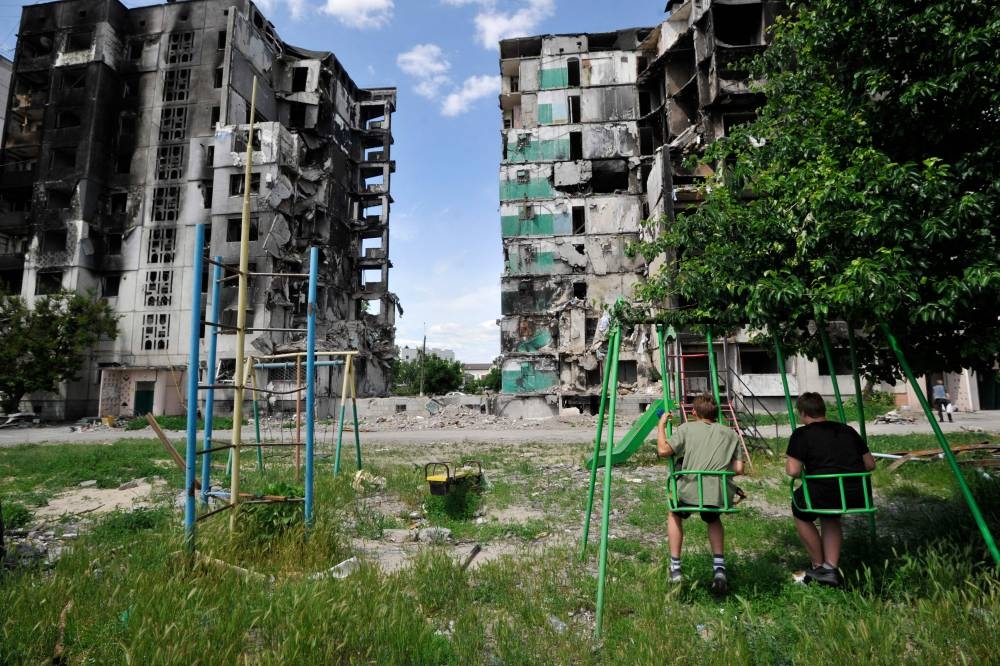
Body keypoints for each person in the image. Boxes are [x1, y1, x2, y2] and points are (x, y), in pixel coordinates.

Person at [656, 393, 744, 594]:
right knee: (713, 519)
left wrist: (661, 425)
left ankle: (676, 566)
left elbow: (663, 450)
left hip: (690, 490)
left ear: (693, 412)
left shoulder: (687, 428)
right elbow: (739, 469)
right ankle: (719, 567)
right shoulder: (731, 434)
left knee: (674, 513)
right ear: (716, 413)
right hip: (718, 493)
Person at [786, 392, 876, 586]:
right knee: (831, 515)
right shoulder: (847, 430)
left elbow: (793, 471)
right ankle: (830, 567)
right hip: (857, 492)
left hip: (825, 491)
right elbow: (870, 464)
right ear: (823, 410)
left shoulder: (802, 434)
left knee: (799, 507)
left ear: (802, 413)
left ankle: (818, 565)